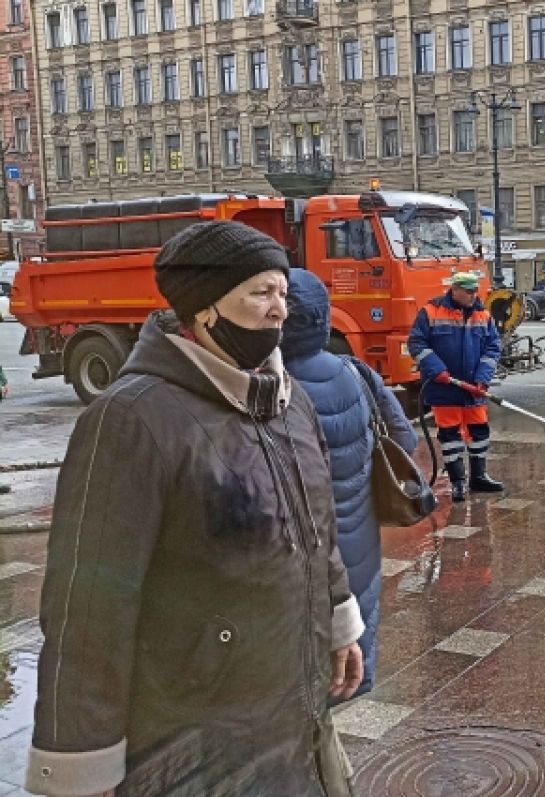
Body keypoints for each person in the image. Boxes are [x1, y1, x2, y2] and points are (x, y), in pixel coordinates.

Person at [26, 221, 364, 797]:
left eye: (282, 293)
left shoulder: (289, 400)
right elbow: (88, 606)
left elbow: (315, 526)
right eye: (260, 293)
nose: (279, 310)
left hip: (293, 706)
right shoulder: (132, 417)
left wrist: (338, 620)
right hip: (195, 734)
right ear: (203, 309)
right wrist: (83, 764)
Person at [281, 268, 417, 699]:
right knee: (352, 641)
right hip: (359, 542)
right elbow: (406, 439)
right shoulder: (354, 371)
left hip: (298, 554)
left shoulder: (263, 385)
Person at [408, 272, 503, 503]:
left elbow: (493, 347)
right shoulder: (431, 312)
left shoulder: (483, 315)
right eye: (469, 292)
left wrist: (482, 377)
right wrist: (436, 369)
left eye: (475, 291)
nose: (473, 296)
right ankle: (458, 481)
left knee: (479, 431)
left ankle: (478, 476)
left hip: (474, 389)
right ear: (455, 290)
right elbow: (416, 343)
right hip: (444, 387)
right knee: (450, 436)